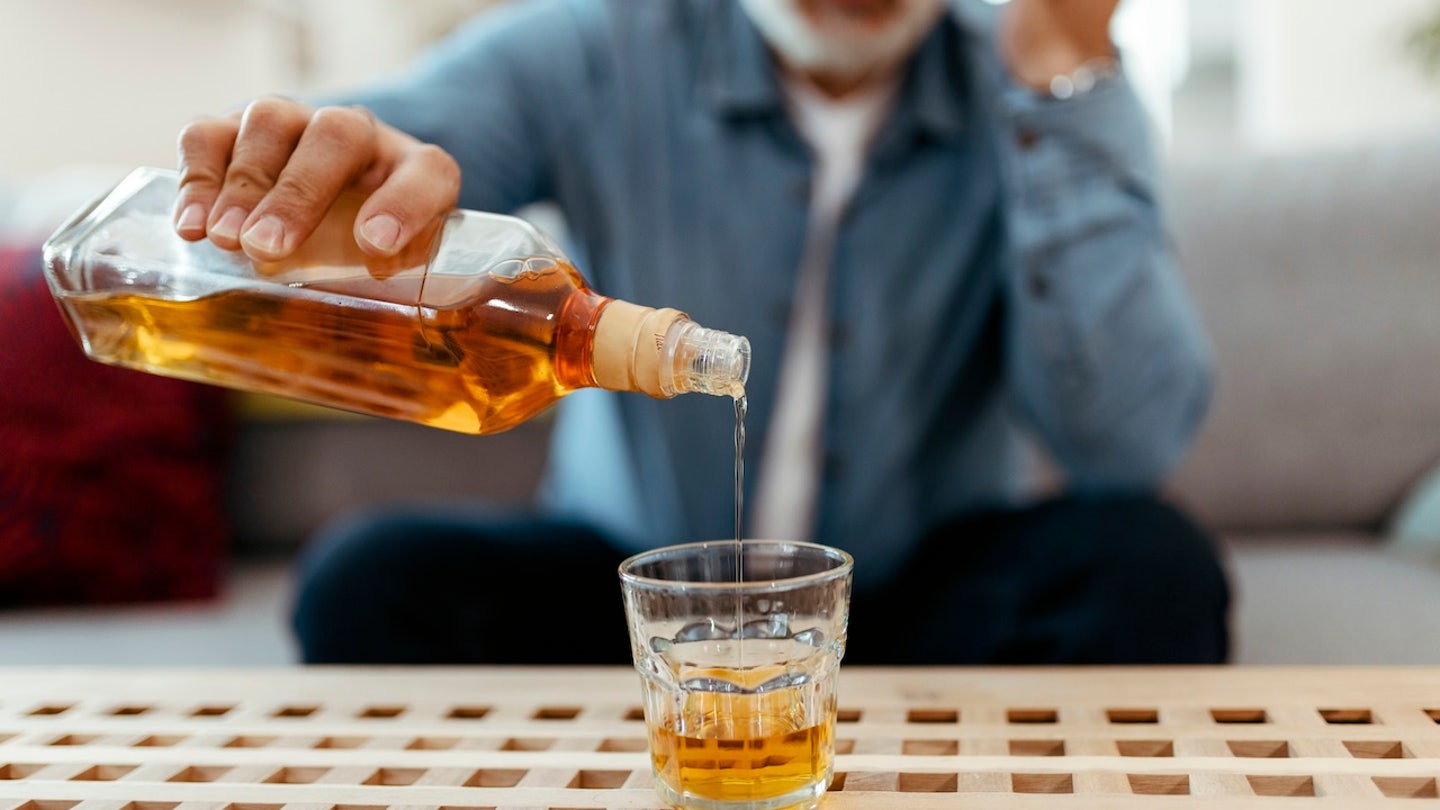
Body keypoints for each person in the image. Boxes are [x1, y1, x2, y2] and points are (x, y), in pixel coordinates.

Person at [174, 0, 1230, 665]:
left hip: (914, 608)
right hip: (629, 600)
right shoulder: (592, 45)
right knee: (369, 575)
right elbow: (411, 149)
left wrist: (1059, 71)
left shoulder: (1044, 84)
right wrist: (348, 176)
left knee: (1152, 563)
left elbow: (1128, 445)